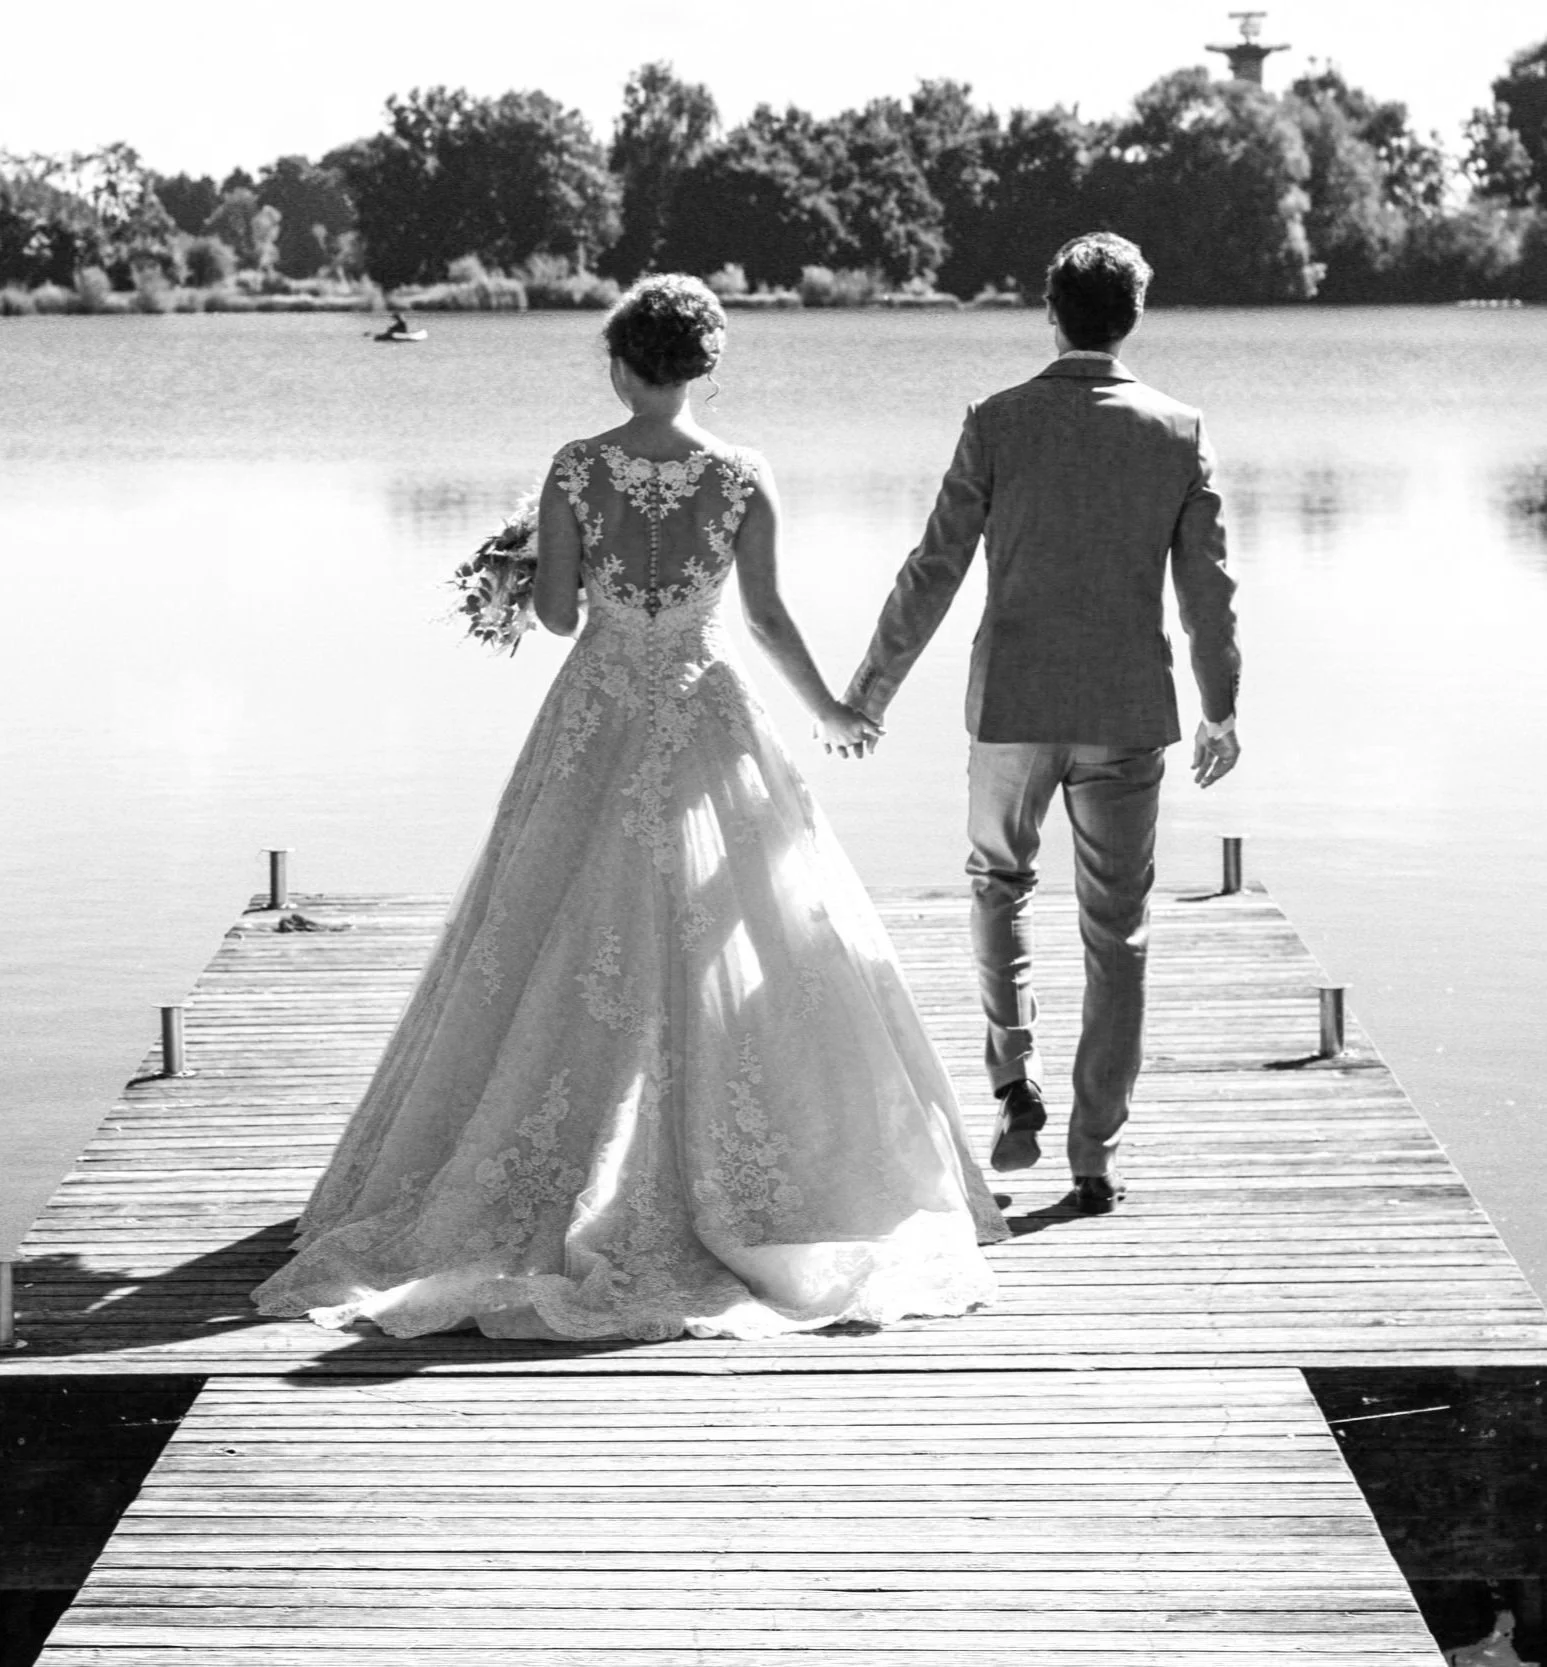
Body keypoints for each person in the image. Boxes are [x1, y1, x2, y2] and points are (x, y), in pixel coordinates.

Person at [253, 274, 1008, 1344]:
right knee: (745, 925)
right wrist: (834, 709)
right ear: (704, 365)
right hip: (705, 705)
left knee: (546, 922)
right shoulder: (743, 474)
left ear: (619, 364)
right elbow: (765, 616)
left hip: (598, 708)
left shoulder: (576, 467)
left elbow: (562, 616)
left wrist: (523, 565)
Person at [841, 232, 1242, 1216]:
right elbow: (1208, 590)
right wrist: (1219, 704)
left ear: (1050, 312)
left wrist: (870, 689)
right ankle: (1093, 1156)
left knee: (998, 881)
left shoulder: (996, 421)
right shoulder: (1178, 429)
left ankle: (1013, 1076)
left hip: (1012, 704)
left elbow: (932, 568)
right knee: (1118, 930)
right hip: (1124, 710)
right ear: (1132, 317)